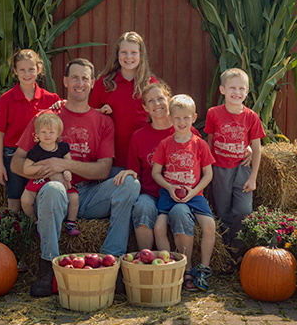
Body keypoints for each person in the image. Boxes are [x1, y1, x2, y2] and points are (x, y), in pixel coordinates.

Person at [11, 58, 140, 298]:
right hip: (55, 196)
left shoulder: (103, 121)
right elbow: (16, 161)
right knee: (52, 189)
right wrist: (48, 171)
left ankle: (111, 262)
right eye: (75, 77)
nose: (80, 83)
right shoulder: (47, 118)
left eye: (85, 78)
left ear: (92, 83)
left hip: (89, 195)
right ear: (65, 81)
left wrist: (64, 163)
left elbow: (103, 170)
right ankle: (48, 266)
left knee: (131, 184)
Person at [113, 82, 203, 291]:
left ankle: (184, 269)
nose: (157, 104)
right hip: (151, 193)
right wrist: (127, 173)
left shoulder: (185, 129)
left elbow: (202, 163)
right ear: (145, 108)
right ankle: (149, 263)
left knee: (181, 212)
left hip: (179, 195)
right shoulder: (139, 136)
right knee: (143, 207)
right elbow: (134, 170)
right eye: (151, 101)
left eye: (161, 98)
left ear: (169, 100)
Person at [151, 94, 216, 292]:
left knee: (210, 225)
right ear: (170, 118)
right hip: (169, 194)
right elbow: (156, 172)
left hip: (194, 195)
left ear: (194, 117)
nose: (182, 122)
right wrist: (169, 187)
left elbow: (208, 174)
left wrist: (195, 191)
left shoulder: (199, 144)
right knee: (159, 227)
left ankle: (204, 268)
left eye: (186, 118)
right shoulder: (165, 144)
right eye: (177, 118)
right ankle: (172, 266)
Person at [0, 49, 61, 212]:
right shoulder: (6, 99)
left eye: (31, 69)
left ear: (39, 69)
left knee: (36, 201)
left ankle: (35, 233)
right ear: (15, 71)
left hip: (40, 155)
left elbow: (72, 111)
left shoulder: (50, 98)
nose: (27, 74)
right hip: (12, 155)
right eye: (22, 70)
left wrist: (99, 110)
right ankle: (16, 235)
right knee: (14, 202)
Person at [204, 68, 265, 254]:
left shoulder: (251, 117)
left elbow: (256, 147)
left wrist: (253, 177)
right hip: (220, 168)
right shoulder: (213, 113)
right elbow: (210, 140)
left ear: (247, 92)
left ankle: (238, 249)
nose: (236, 93)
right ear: (222, 89)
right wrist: (209, 168)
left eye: (241, 89)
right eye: (232, 88)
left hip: (242, 168)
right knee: (222, 211)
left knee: (243, 211)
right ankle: (225, 251)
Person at [88, 31, 158, 177]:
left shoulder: (151, 85)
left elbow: (161, 118)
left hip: (145, 159)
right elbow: (89, 116)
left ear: (141, 55)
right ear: (117, 54)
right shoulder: (104, 84)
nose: (128, 57)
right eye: (124, 52)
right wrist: (99, 111)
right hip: (113, 160)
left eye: (133, 52)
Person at [21, 113, 80, 236]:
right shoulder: (35, 151)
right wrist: (43, 168)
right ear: (37, 133)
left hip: (60, 180)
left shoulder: (63, 148)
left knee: (74, 198)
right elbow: (26, 169)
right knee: (25, 200)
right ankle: (36, 222)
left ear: (58, 134)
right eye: (43, 132)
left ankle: (70, 224)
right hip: (41, 179)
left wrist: (67, 172)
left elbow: (68, 163)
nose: (47, 135)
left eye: (51, 132)